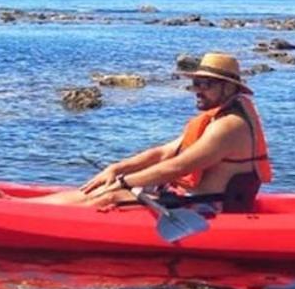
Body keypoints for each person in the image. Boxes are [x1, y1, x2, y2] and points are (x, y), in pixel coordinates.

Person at [23, 52, 273, 210]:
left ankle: (19, 212)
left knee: (109, 197)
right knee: (102, 187)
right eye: (195, 82)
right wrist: (116, 169)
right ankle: (17, 205)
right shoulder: (221, 114)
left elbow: (176, 167)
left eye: (205, 84)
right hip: (192, 197)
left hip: (208, 208)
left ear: (229, 88)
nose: (196, 90)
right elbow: (165, 153)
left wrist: (123, 182)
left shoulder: (229, 127)